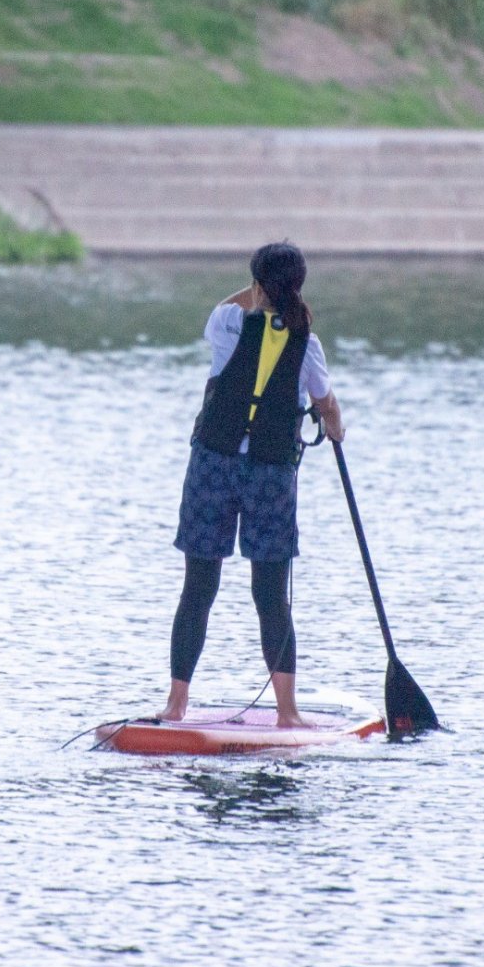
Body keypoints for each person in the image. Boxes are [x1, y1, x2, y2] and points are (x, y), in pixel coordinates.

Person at [162, 241, 344, 727]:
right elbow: (326, 404)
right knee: (270, 596)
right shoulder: (308, 345)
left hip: (213, 466)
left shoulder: (227, 323)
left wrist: (257, 290)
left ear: (257, 285)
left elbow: (228, 304)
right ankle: (288, 712)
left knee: (198, 588)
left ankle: (176, 705)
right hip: (270, 474)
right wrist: (336, 428)